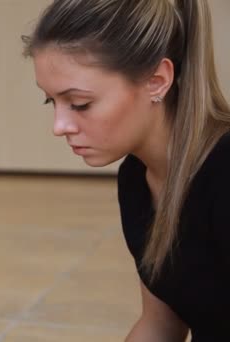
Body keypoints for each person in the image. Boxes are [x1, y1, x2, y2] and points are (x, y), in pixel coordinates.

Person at [24, 0, 230, 340]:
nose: (59, 126)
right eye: (52, 101)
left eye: (79, 104)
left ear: (157, 80)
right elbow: (161, 323)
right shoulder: (136, 179)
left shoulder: (223, 175)